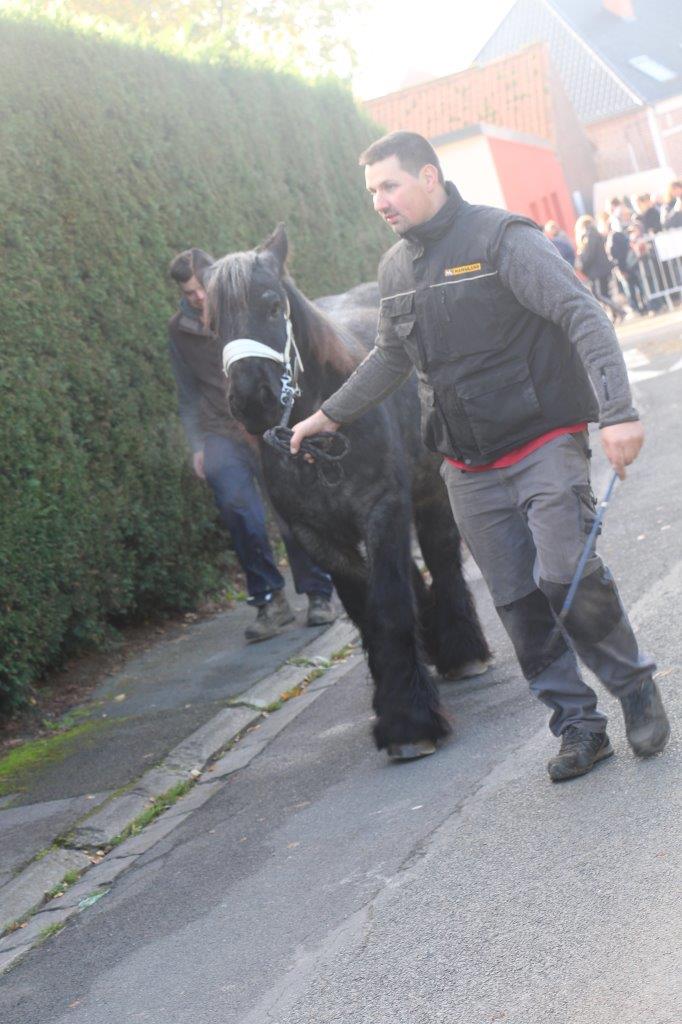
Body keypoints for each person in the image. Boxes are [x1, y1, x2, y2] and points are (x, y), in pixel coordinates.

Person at [290, 130, 670, 782]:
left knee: (565, 574)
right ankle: (578, 726)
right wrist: (328, 415)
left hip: (543, 439)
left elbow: (582, 315)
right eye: (372, 190)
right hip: (467, 466)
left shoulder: (502, 240)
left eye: (391, 185)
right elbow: (389, 357)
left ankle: (632, 685)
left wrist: (618, 412)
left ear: (430, 177)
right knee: (518, 601)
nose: (380, 200)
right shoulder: (396, 270)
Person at [168, 248, 336, 642]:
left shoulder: (240, 307)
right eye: (187, 292)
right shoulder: (180, 330)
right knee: (237, 509)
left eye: (199, 288)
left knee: (292, 510)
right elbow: (186, 389)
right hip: (221, 430)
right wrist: (196, 444)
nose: (196, 297)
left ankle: (318, 594)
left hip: (265, 423)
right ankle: (269, 601)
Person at [575, 214, 625, 323]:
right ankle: (615, 315)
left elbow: (589, 254)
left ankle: (620, 310)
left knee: (598, 295)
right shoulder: (595, 234)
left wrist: (582, 264)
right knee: (605, 294)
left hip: (597, 271)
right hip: (601, 269)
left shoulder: (589, 236)